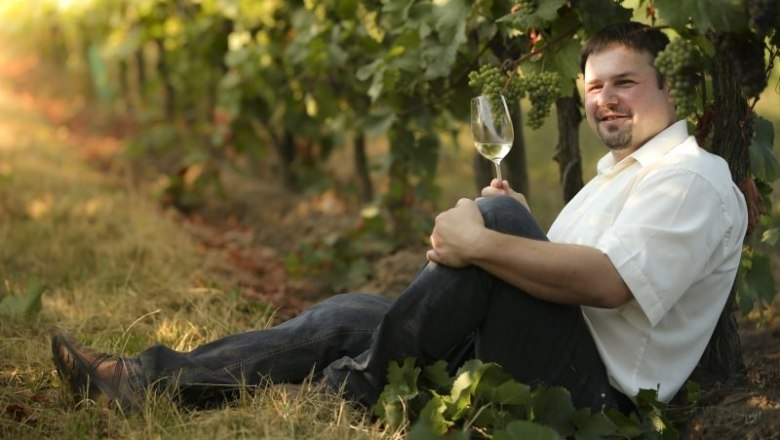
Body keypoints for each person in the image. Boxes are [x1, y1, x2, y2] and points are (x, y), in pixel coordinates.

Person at [51, 21, 747, 415]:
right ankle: (147, 379)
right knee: (346, 314)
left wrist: (484, 237)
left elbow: (608, 284)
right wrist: (518, 224)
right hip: (557, 352)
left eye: (625, 83)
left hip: (595, 396)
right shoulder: (621, 175)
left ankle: (348, 392)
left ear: (670, 89)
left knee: (490, 226)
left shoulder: (690, 177)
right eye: (594, 86)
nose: (604, 100)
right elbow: (566, 271)